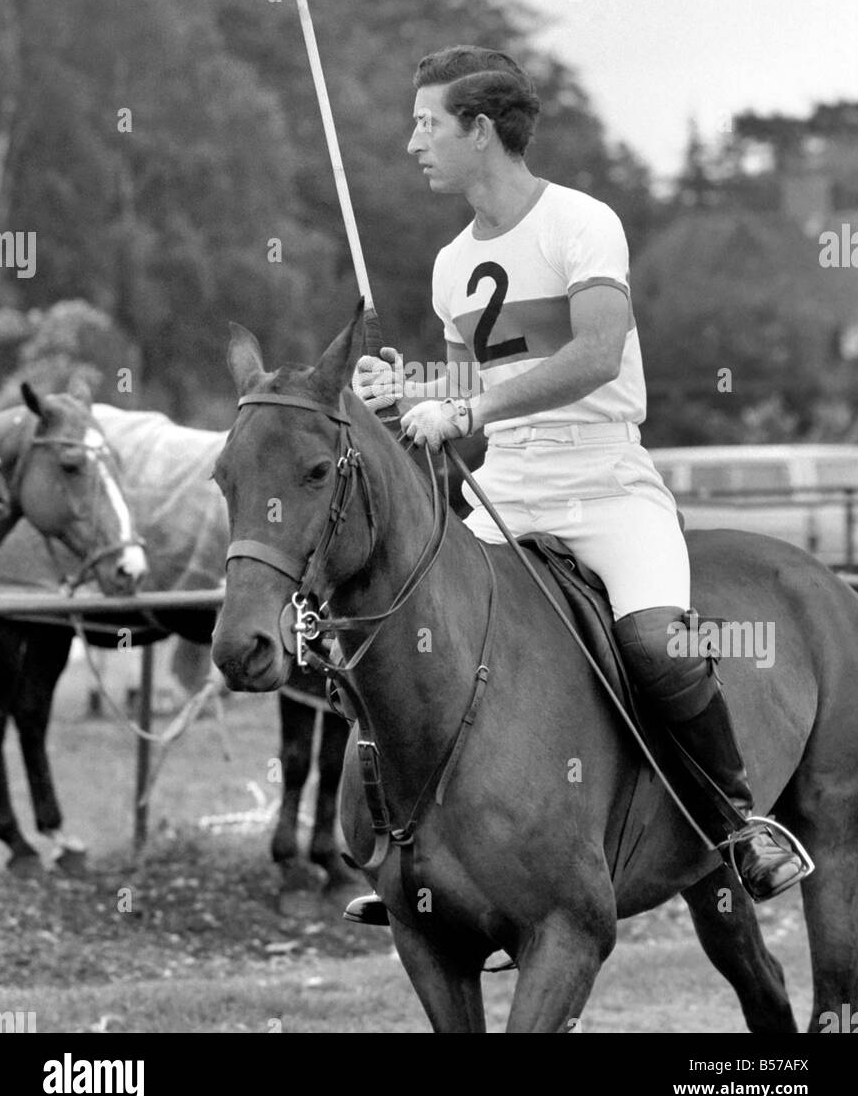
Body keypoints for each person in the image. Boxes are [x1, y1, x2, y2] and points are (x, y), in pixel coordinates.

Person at [344, 45, 808, 924]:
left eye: (425, 123)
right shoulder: (449, 264)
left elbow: (593, 357)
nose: (412, 142)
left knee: (655, 646)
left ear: (479, 131)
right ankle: (408, 852)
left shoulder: (580, 223)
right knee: (412, 634)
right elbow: (463, 386)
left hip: (604, 481)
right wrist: (400, 391)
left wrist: (467, 408)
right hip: (508, 488)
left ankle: (737, 823)